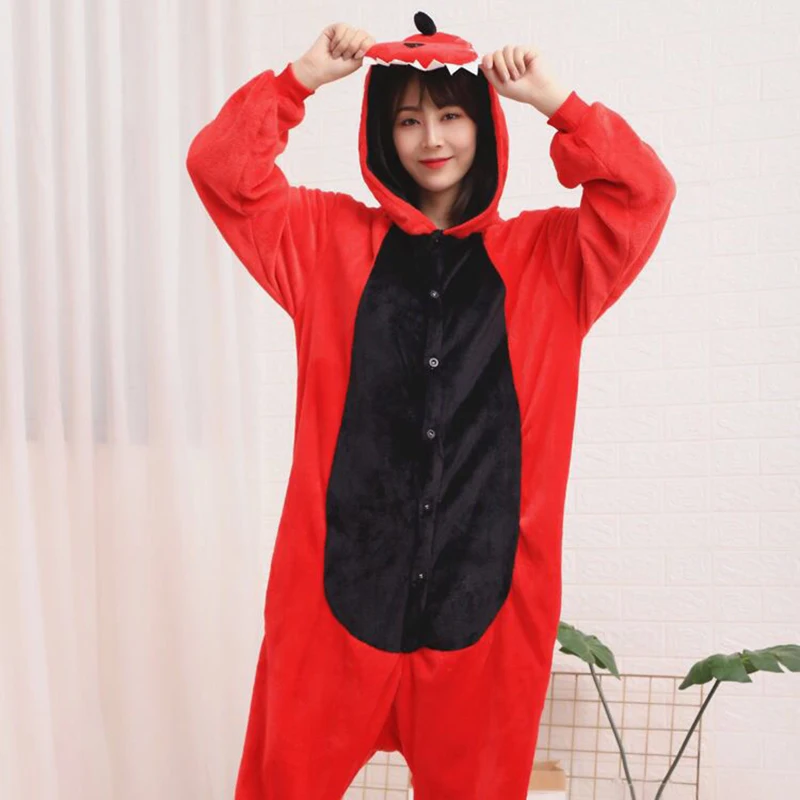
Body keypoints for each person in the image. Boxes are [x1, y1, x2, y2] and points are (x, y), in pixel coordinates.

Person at [185, 11, 677, 800]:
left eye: (450, 114)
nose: (431, 138)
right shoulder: (324, 241)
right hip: (333, 604)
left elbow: (642, 193)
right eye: (408, 120)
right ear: (384, 135)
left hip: (486, 613)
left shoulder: (551, 260)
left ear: (482, 124)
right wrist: (299, 80)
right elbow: (221, 169)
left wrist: (556, 101)